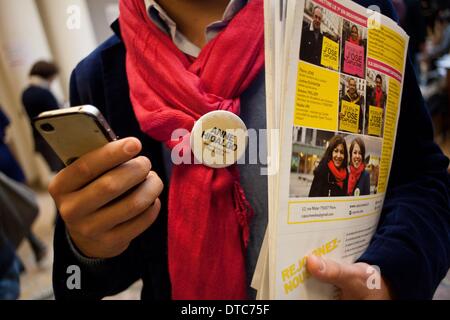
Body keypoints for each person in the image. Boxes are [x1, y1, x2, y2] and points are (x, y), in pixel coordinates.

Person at [51, 0, 450, 300]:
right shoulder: (99, 78)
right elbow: (91, 280)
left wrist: (390, 277)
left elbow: (422, 180)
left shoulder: (351, 13)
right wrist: (86, 249)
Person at [0, 106, 47, 265]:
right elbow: (6, 123)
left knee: (10, 208)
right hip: (3, 158)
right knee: (14, 206)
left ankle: (17, 258)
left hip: (4, 161)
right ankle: (31, 246)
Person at [22, 61, 64, 173]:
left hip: (40, 139)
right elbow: (57, 115)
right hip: (51, 139)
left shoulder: (26, 93)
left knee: (59, 172)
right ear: (48, 76)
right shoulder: (43, 93)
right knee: (65, 170)